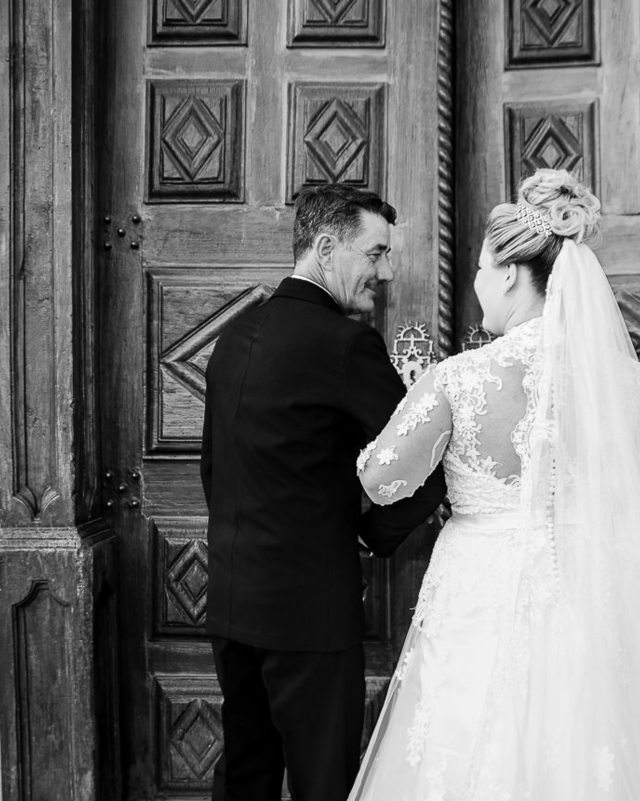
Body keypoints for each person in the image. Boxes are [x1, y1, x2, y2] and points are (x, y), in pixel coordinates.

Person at [349, 169, 640, 799]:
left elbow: (382, 482)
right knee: (592, 742)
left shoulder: (457, 379)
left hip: (480, 598)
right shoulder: (625, 380)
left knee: (473, 746)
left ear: (511, 273)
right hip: (592, 589)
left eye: (481, 269)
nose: (477, 284)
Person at [201, 184, 447, 801]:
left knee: (246, 775)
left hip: (231, 601)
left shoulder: (232, 334)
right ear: (327, 247)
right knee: (324, 784)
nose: (385, 273)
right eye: (376, 254)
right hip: (310, 612)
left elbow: (213, 469)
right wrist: (371, 536)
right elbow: (425, 465)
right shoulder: (346, 344)